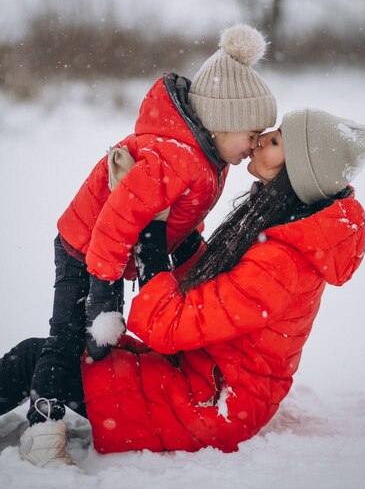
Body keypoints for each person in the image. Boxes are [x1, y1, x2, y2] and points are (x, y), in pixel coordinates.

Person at [0, 108, 365, 465]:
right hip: (205, 375)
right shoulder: (288, 227)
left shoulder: (281, 263)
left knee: (39, 358)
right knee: (50, 356)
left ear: (298, 174)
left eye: (277, 141)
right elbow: (213, 292)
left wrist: (152, 232)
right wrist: (174, 233)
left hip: (208, 403)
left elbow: (168, 326)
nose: (262, 138)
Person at [16, 23, 277, 466]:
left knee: (95, 348)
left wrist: (196, 260)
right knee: (68, 338)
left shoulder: (209, 157)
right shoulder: (174, 157)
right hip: (86, 247)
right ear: (221, 122)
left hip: (110, 256)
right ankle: (43, 433)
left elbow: (178, 222)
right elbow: (114, 226)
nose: (254, 146)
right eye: (251, 134)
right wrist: (101, 292)